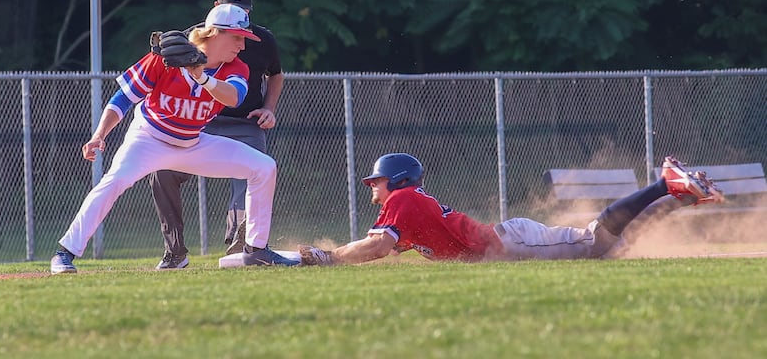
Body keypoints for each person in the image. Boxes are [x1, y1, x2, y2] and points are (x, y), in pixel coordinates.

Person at [50, 3, 298, 274]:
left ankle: (256, 250)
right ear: (214, 32)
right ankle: (65, 253)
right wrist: (99, 135)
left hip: (193, 143)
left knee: (264, 167)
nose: (242, 45)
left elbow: (234, 96)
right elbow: (124, 97)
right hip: (148, 139)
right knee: (115, 180)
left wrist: (202, 78)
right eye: (237, 37)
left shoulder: (236, 67)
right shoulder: (167, 57)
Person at [298, 153, 724, 265]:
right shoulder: (406, 206)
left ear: (399, 181)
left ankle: (663, 181)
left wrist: (329, 257)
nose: (373, 188)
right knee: (614, 246)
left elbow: (373, 248)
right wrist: (330, 255)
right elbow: (379, 248)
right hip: (509, 239)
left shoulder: (403, 201)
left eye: (377, 181)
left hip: (509, 243)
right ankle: (684, 195)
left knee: (597, 241)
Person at [149, 0, 284, 269]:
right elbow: (166, 76)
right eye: (231, 10)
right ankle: (175, 252)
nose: (239, 18)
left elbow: (276, 74)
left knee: (254, 170)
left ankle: (243, 242)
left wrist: (269, 108)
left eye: (244, 11)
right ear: (216, 11)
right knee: (162, 172)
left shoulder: (261, 40)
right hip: (200, 122)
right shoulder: (193, 39)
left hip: (245, 123)